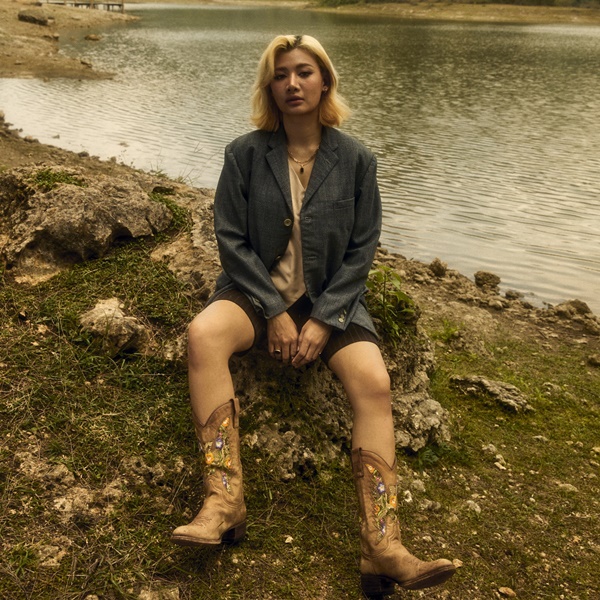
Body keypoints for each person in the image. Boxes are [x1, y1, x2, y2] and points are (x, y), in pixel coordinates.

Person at [171, 34, 456, 597]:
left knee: (374, 382)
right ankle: (223, 502)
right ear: (269, 87)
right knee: (203, 334)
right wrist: (275, 310)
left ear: (325, 81)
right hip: (254, 294)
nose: (292, 83)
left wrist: (324, 318)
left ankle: (381, 544)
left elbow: (363, 248)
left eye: (304, 72)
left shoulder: (357, 160)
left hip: (333, 300)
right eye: (280, 74)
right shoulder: (243, 154)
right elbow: (230, 238)